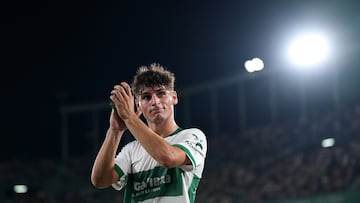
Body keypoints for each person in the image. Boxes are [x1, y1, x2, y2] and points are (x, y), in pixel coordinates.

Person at [91, 63, 207, 203]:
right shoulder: (131, 150)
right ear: (138, 105)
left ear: (174, 97)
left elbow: (168, 158)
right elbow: (100, 179)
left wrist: (130, 117)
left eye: (161, 93)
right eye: (146, 97)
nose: (155, 101)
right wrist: (115, 131)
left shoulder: (192, 136)